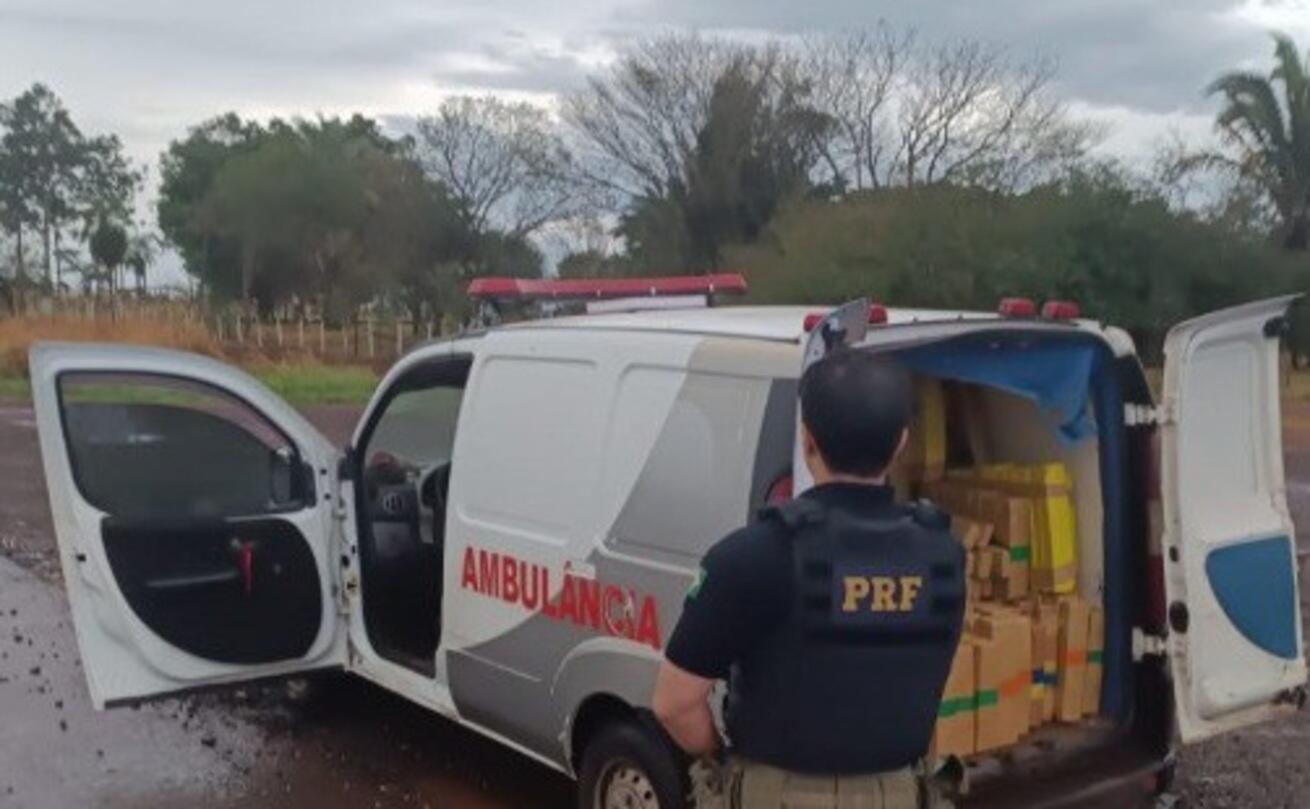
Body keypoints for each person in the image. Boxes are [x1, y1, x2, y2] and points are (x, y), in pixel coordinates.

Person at [652, 349, 966, 809]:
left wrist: (720, 760)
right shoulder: (943, 554)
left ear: (806, 440)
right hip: (901, 794)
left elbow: (674, 703)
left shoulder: (754, 555)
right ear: (901, 442)